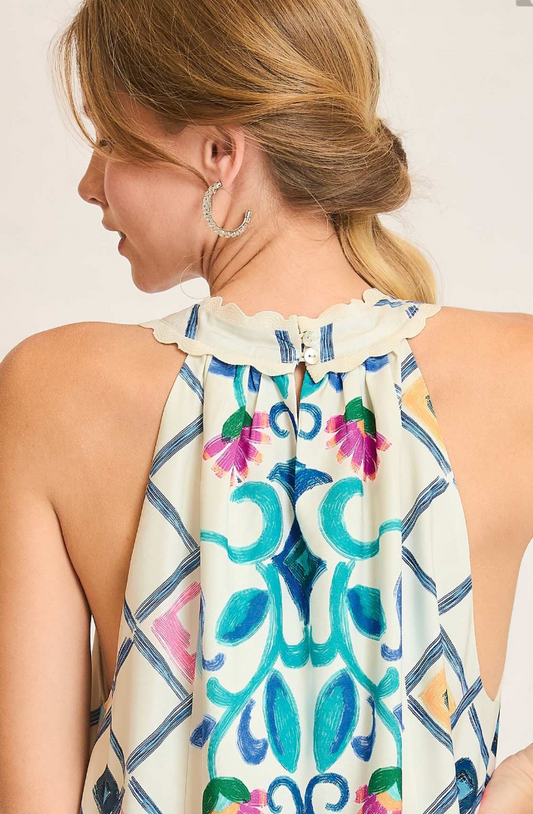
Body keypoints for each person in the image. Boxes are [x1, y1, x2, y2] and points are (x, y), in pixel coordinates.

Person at [0, 0, 532, 811]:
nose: (87, 184)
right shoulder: (515, 374)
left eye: (109, 140)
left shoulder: (52, 391)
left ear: (221, 154)